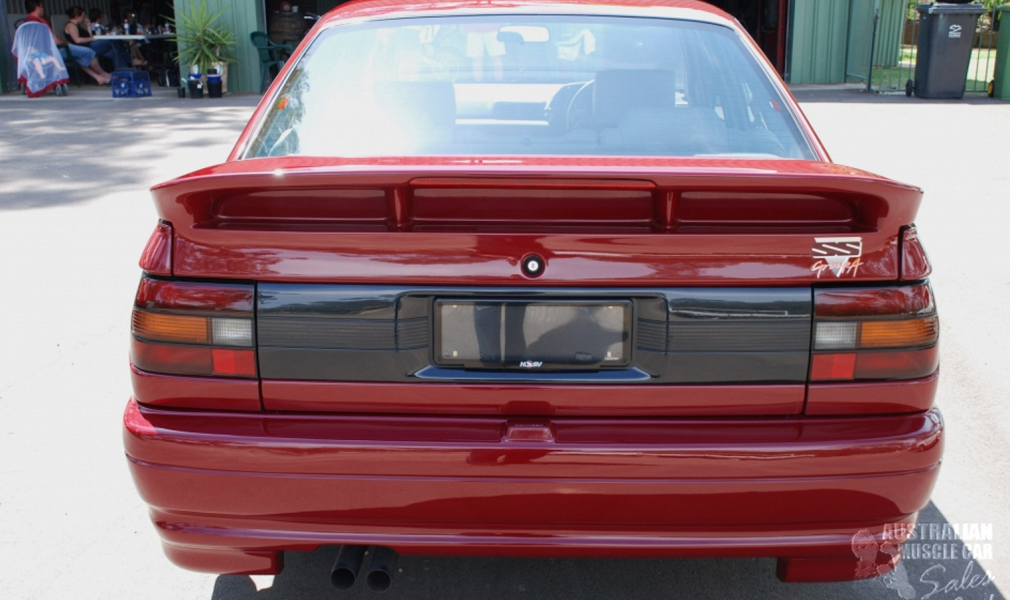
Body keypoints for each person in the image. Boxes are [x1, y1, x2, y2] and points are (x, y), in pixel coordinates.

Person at [23, 0, 110, 84]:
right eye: (42, 7)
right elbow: (56, 41)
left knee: (78, 56)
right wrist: (67, 42)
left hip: (36, 53)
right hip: (51, 52)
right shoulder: (40, 23)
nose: (43, 9)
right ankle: (102, 73)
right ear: (37, 8)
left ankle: (98, 78)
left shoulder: (26, 23)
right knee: (89, 52)